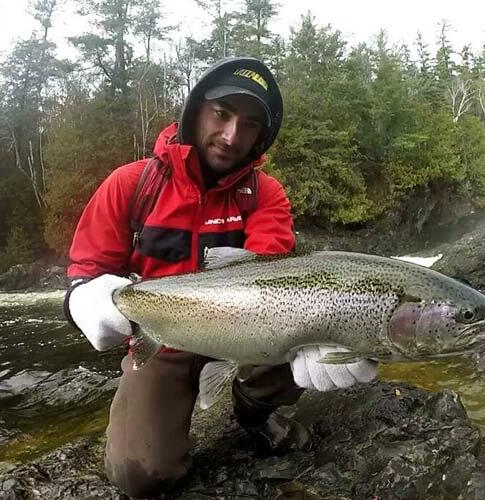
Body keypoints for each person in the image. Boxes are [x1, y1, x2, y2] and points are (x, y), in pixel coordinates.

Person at [63, 57, 378, 498]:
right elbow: (85, 272)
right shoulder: (131, 184)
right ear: (195, 111)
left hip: (245, 330)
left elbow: (274, 285)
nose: (232, 135)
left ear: (261, 136)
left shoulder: (265, 194)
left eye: (249, 124)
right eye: (222, 114)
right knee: (140, 476)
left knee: (308, 327)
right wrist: (84, 300)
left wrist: (322, 335)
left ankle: (254, 411)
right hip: (162, 339)